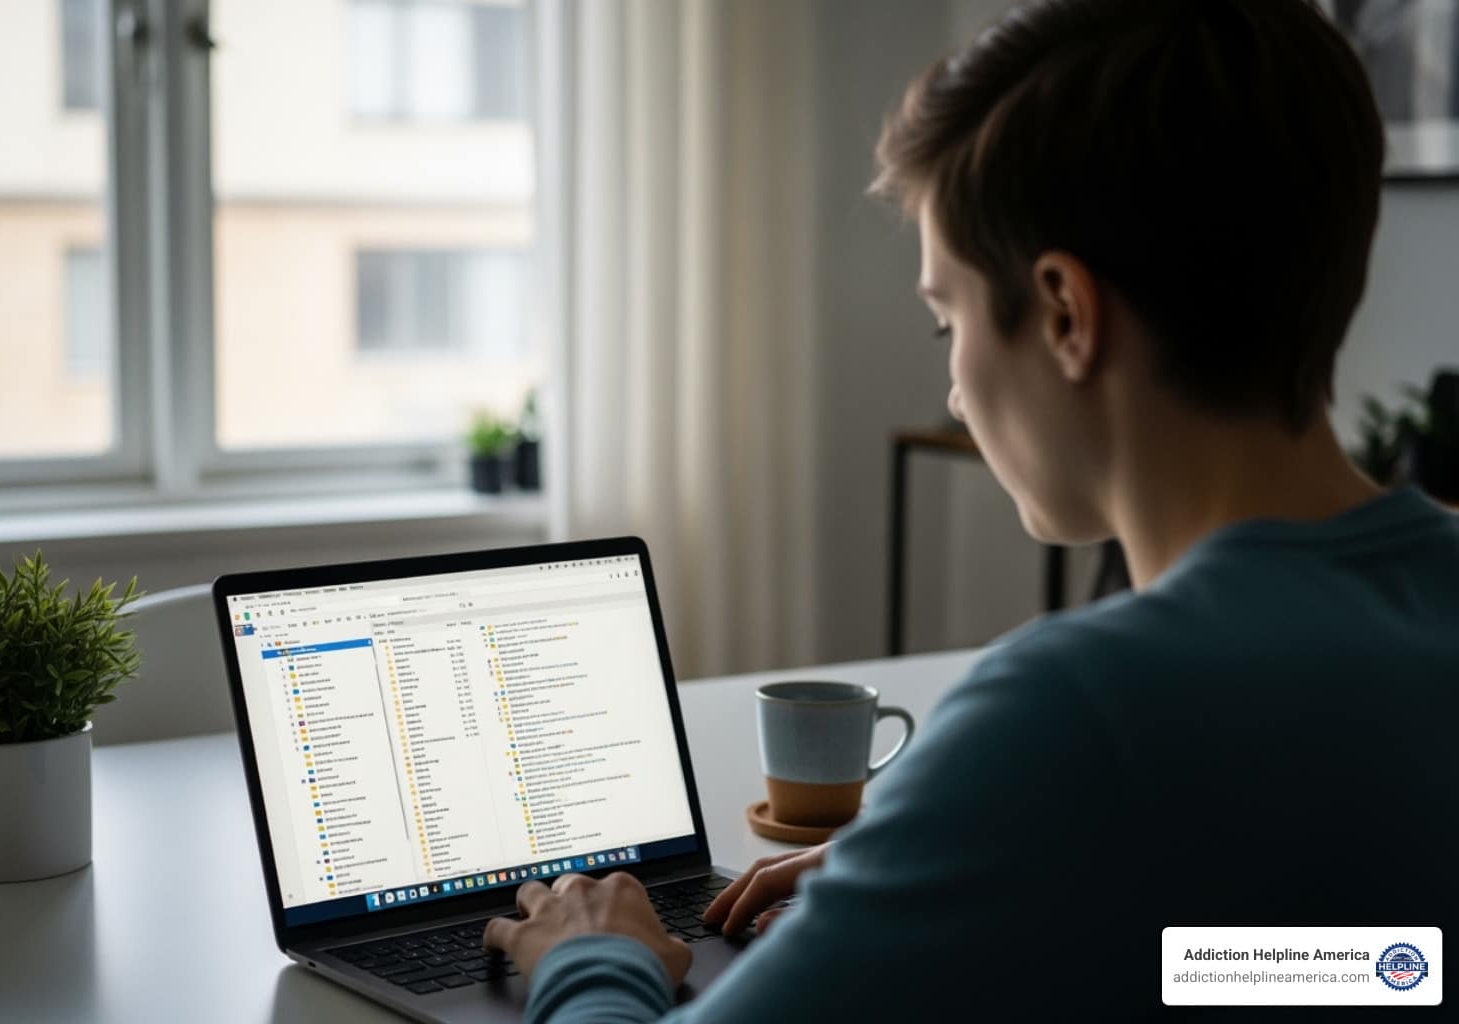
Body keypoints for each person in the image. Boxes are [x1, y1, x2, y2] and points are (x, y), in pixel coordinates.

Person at [483, 0, 1459, 1018]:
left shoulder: (1074, 712)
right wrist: (1002, 876)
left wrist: (591, 958)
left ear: (1065, 314)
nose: (954, 387)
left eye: (946, 317)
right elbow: (1393, 967)